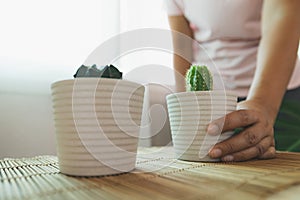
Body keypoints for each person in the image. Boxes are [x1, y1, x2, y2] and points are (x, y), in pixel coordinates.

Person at [164, 0, 300, 161]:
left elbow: (283, 13)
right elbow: (182, 47)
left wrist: (262, 104)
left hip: (278, 94)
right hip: (212, 101)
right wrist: (184, 109)